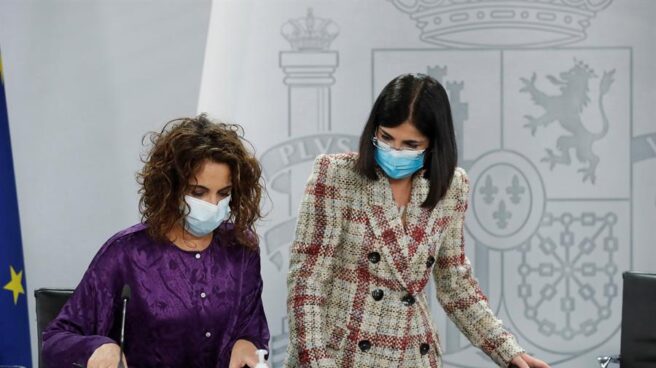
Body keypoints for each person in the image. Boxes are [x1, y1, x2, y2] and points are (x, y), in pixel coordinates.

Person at [285, 74, 550, 368]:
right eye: (385, 137)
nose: (395, 151)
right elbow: (307, 281)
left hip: (412, 353)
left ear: (434, 144)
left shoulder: (451, 187)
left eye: (410, 144)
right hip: (340, 354)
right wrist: (317, 362)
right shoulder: (335, 175)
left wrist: (507, 350)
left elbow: (455, 283)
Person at [43, 115, 270, 368]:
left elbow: (252, 328)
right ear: (170, 188)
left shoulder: (241, 247)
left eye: (224, 193)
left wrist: (247, 343)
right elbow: (55, 340)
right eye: (198, 192)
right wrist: (97, 349)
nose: (213, 204)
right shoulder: (126, 253)